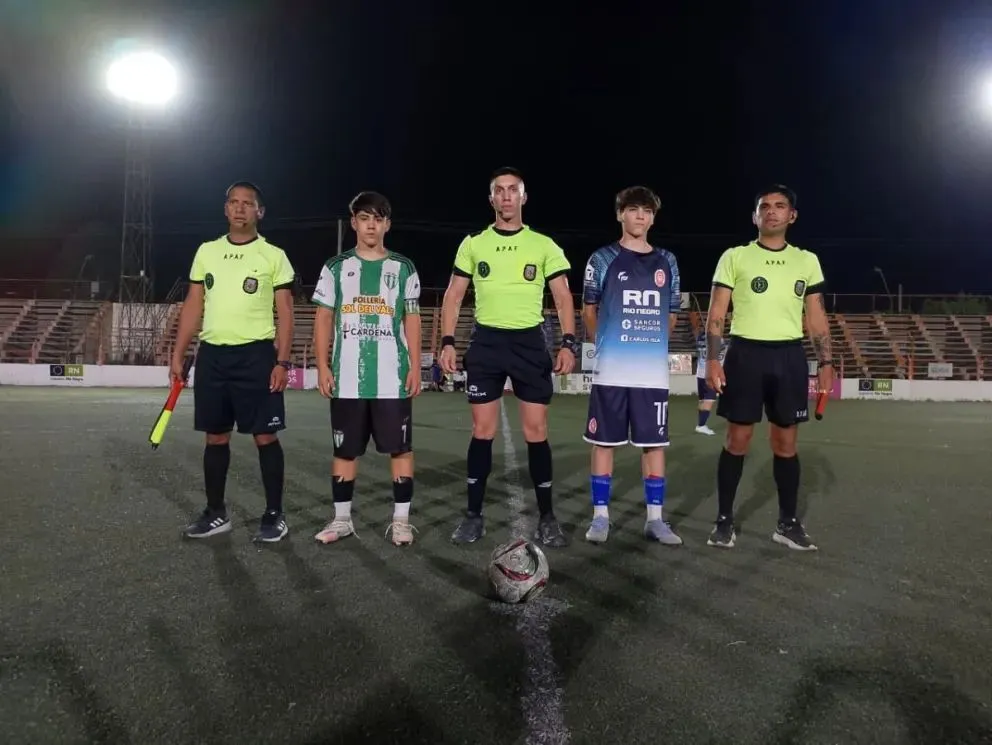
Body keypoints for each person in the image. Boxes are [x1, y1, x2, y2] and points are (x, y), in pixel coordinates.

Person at [439, 166, 578, 547]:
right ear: (491, 199)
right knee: (482, 431)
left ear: (523, 197)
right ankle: (473, 515)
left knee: (536, 432)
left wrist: (569, 342)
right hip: (486, 344)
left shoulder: (545, 245)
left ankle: (547, 517)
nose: (505, 196)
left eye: (512, 190)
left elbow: (563, 296)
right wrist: (448, 340)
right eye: (499, 190)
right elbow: (453, 295)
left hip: (529, 344)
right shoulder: (473, 243)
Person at [704, 184, 833, 551]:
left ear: (792, 215)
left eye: (780, 206)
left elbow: (817, 318)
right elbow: (717, 313)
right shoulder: (735, 257)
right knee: (737, 440)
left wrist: (826, 362)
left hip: (789, 356)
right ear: (755, 216)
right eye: (765, 207)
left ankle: (787, 523)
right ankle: (724, 521)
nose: (772, 212)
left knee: (786, 444)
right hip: (745, 354)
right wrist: (713, 358)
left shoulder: (807, 261)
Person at [174, 181, 296, 542]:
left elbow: (286, 313)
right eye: (233, 202)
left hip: (256, 357)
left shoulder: (273, 256)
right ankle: (216, 513)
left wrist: (283, 362)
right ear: (225, 209)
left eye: (248, 203)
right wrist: (178, 353)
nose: (240, 208)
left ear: (260, 212)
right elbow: (194, 304)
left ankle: (274, 514)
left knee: (264, 436)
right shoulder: (206, 252)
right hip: (212, 355)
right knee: (215, 437)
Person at [310, 191, 422, 547]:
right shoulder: (335, 267)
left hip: (393, 376)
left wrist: (416, 366)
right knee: (345, 450)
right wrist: (322, 365)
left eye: (378, 218)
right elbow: (324, 318)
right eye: (364, 217)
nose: (371, 224)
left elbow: (413, 319)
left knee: (400, 449)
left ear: (387, 224)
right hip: (347, 378)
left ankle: (401, 522)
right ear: (354, 222)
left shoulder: (403, 268)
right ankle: (342, 520)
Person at [580, 186, 683, 545]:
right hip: (612, 369)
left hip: (650, 372)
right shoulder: (602, 258)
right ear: (620, 214)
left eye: (647, 211)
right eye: (633, 209)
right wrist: (607, 345)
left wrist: (649, 343)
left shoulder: (667, 261)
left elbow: (670, 315)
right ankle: (600, 517)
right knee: (604, 442)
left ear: (653, 217)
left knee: (654, 445)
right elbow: (589, 310)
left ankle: (655, 519)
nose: (640, 216)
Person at [694, 329, 727, 435]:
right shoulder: (719, 341)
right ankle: (701, 425)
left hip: (700, 374)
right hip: (711, 374)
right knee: (709, 400)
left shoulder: (700, 338)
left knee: (702, 400)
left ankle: (700, 423)